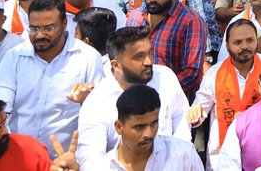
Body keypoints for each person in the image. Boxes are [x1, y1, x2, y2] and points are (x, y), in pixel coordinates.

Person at [0, 0, 106, 158]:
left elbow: (99, 111)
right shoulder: (14, 57)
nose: (39, 35)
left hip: (64, 160)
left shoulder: (87, 57)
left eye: (48, 28)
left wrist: (85, 101)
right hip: (19, 157)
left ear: (65, 24)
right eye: (34, 29)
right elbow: (0, 106)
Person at [76, 26, 191, 163]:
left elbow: (181, 117)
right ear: (116, 65)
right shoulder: (97, 102)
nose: (148, 62)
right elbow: (91, 158)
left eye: (149, 53)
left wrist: (177, 160)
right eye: (139, 57)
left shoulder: (166, 77)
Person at [188, 20, 261, 167]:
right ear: (227, 45)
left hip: (260, 155)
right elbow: (200, 109)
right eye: (238, 42)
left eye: (249, 40)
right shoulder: (215, 73)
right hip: (221, 159)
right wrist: (195, 115)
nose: (245, 46)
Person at [82, 85, 203, 170]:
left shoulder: (182, 155)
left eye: (154, 124)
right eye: (139, 127)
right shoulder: (101, 167)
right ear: (119, 127)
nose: (149, 134)